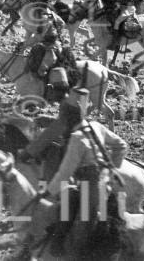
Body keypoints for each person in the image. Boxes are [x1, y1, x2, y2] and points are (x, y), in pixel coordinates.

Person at [45, 87, 127, 257]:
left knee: (78, 240)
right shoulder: (96, 126)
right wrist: (112, 168)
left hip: (91, 191)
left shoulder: (77, 138)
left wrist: (47, 193)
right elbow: (121, 145)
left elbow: (64, 173)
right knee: (68, 202)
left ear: (69, 116)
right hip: (105, 183)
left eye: (64, 114)